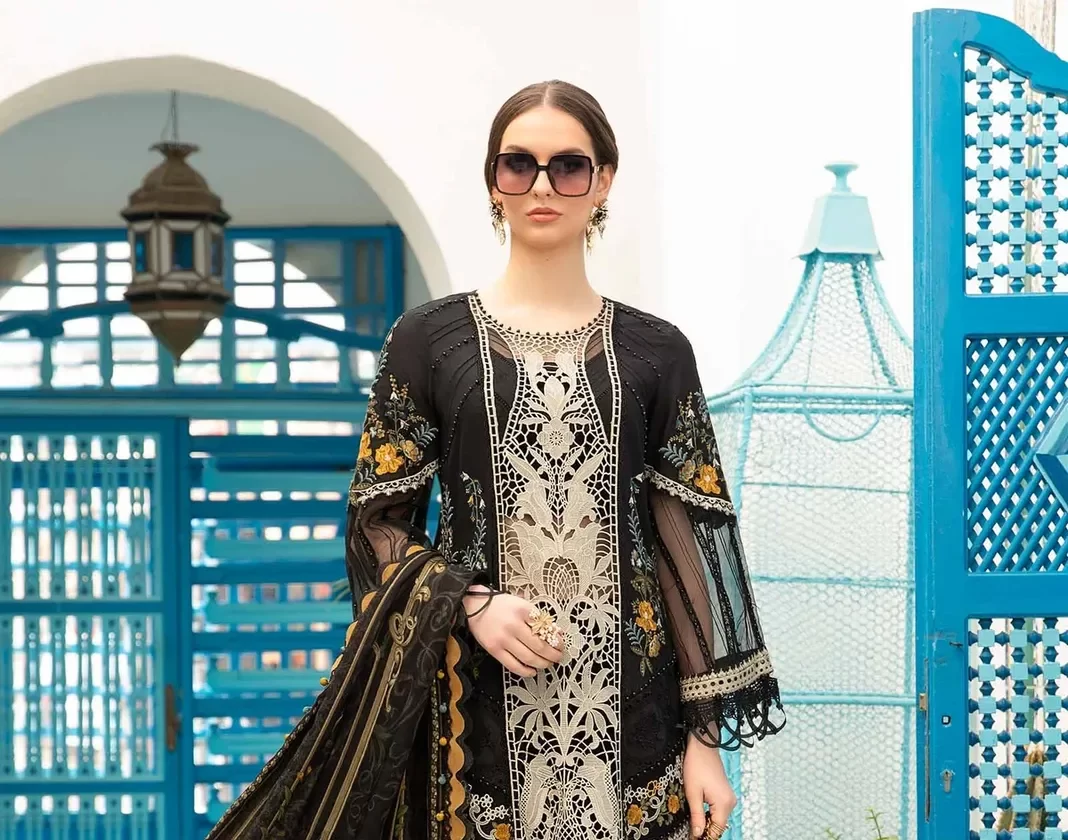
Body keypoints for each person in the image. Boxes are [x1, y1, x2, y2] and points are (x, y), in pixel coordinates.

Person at [206, 80, 784, 840]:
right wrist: (471, 602)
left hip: (639, 727)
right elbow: (377, 523)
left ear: (603, 182)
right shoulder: (428, 341)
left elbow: (686, 542)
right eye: (519, 164)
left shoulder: (656, 350)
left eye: (568, 166)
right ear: (494, 181)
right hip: (472, 725)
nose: (542, 186)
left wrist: (704, 742)